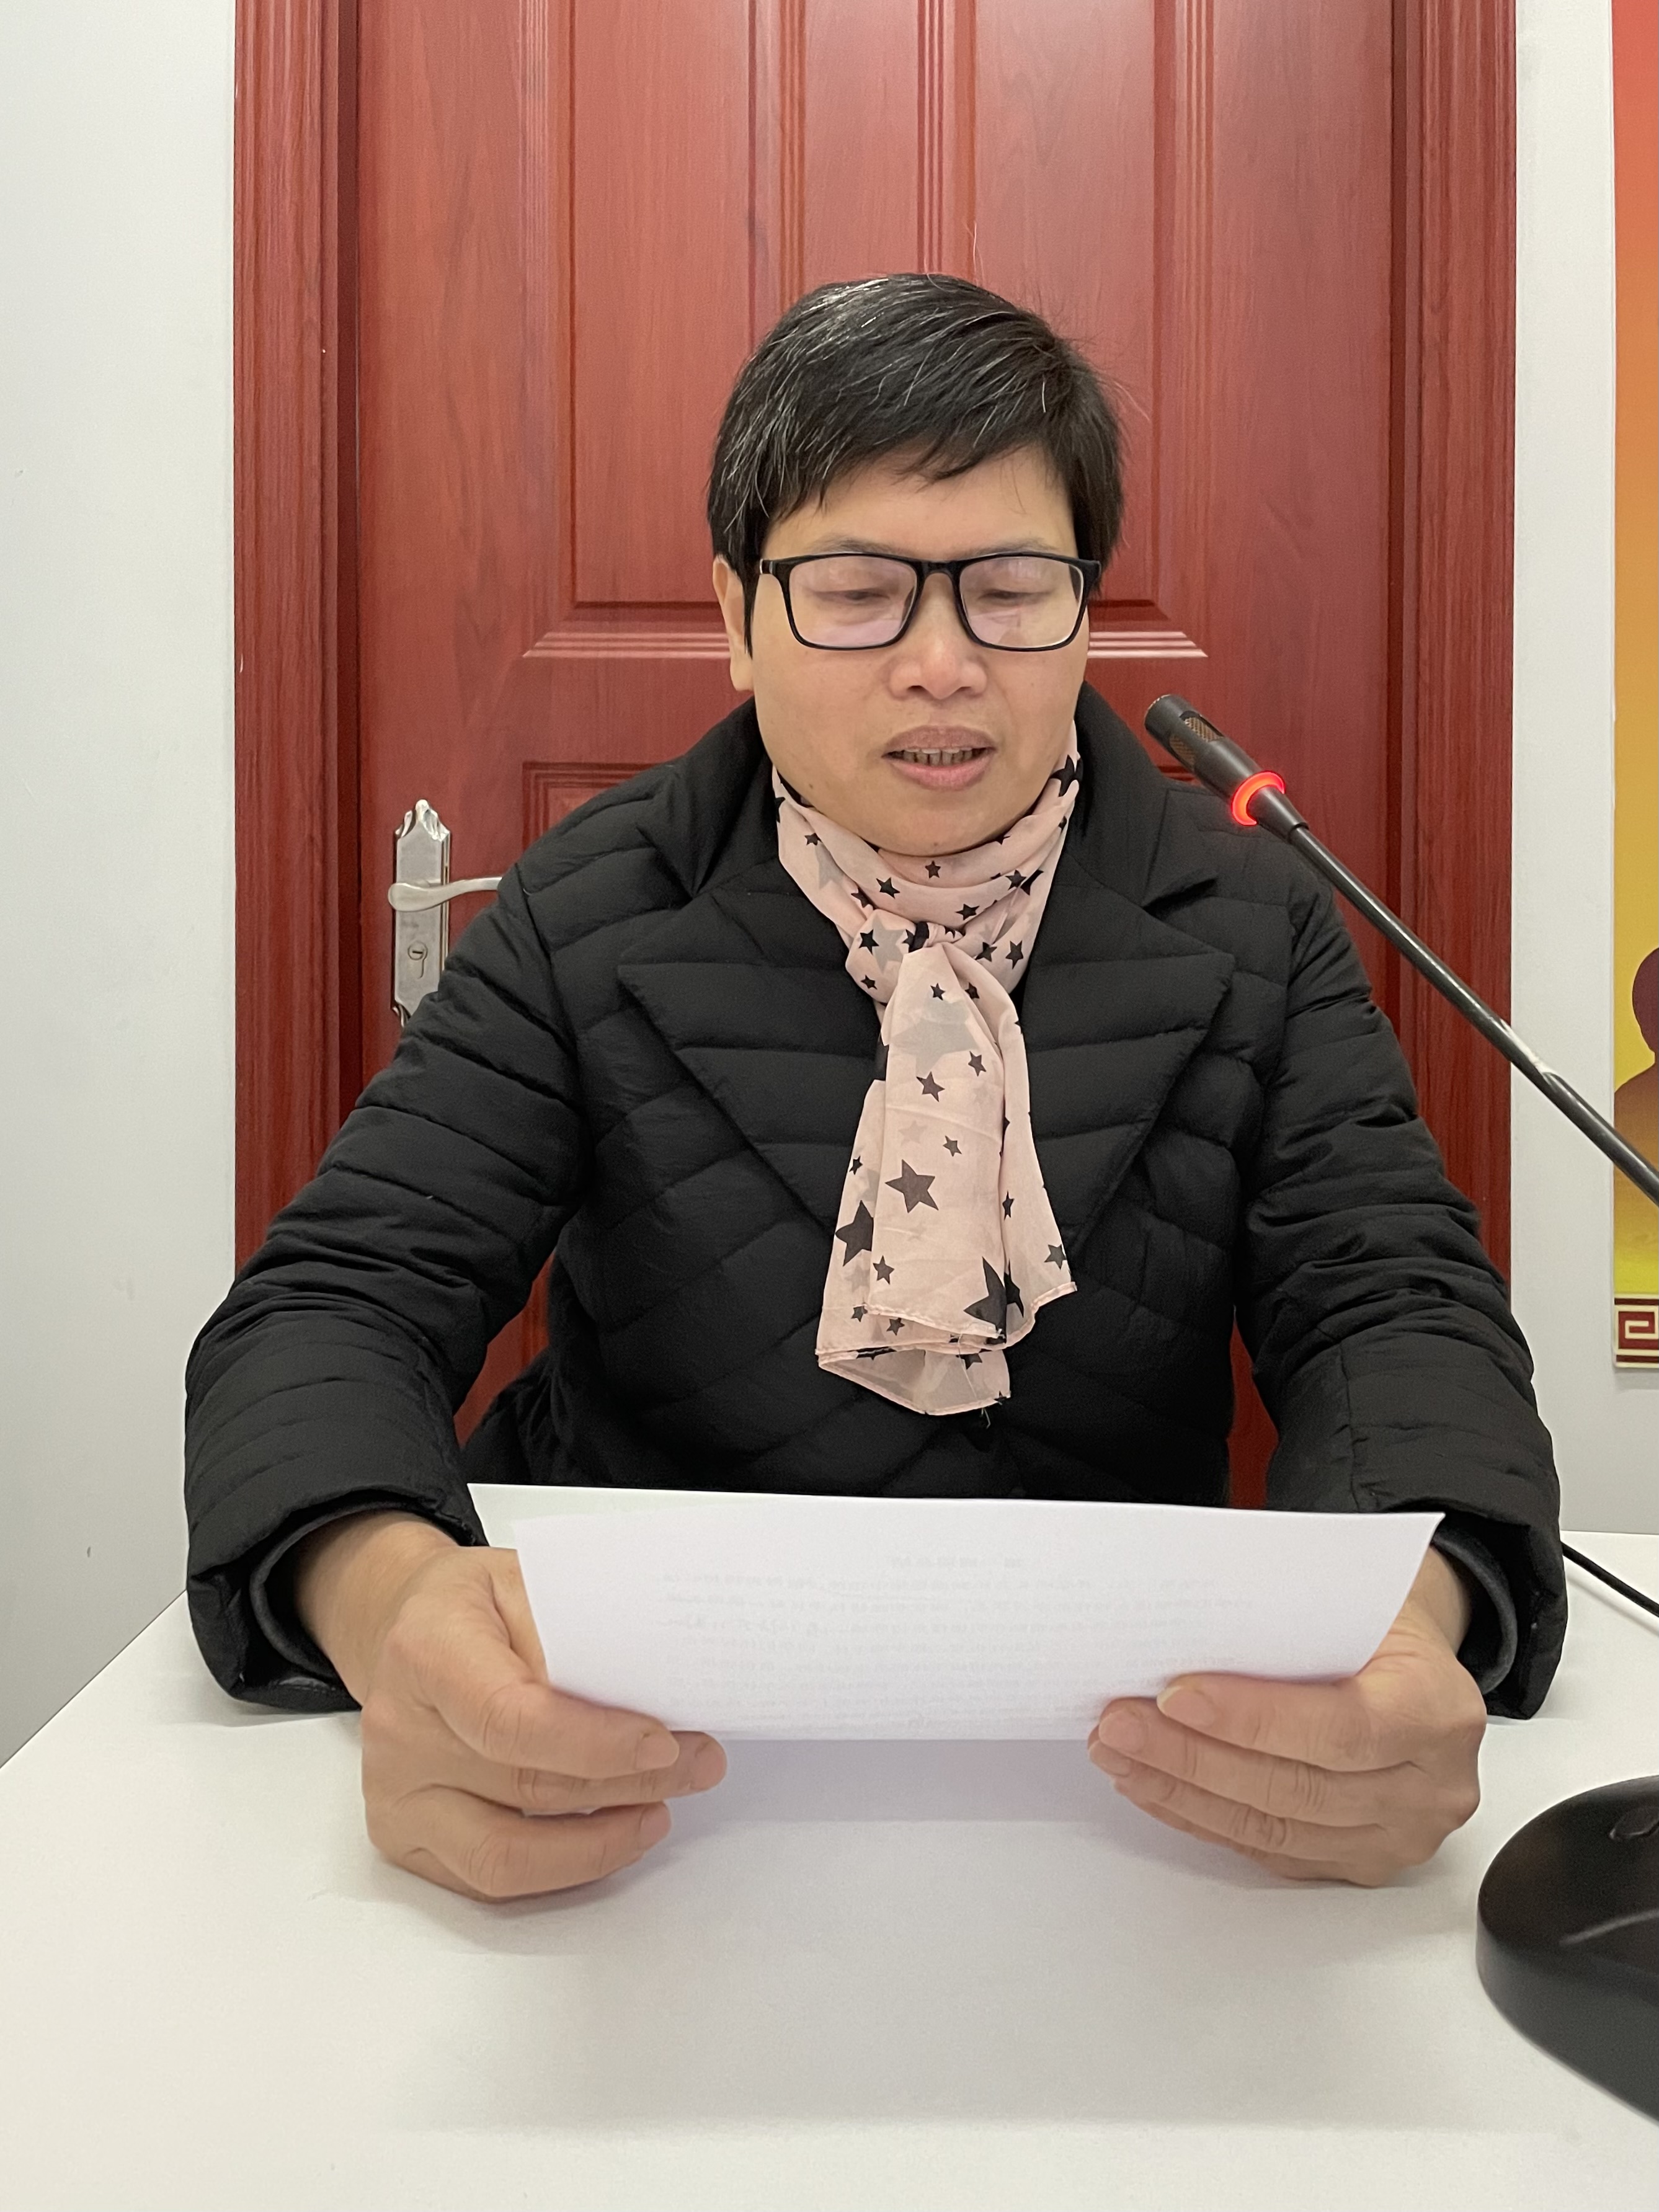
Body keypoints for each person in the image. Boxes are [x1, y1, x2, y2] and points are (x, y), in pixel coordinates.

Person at [185, 275, 1563, 1903]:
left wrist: (1419, 1621)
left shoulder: (1253, 922)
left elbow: (1391, 1305)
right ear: (736, 616)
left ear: (1084, 609)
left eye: (1010, 589)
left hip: (1115, 1760)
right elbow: (337, 1300)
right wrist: (386, 1599)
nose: (939, 664)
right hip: (648, 1746)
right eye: (854, 594)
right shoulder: (589, 906)